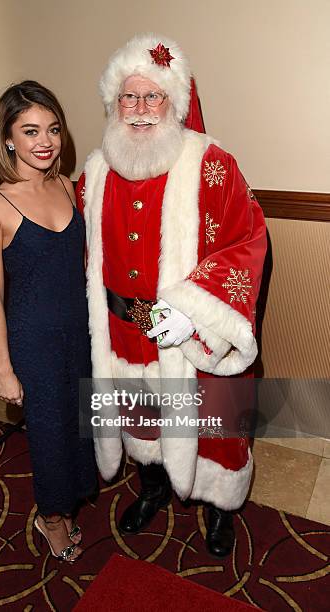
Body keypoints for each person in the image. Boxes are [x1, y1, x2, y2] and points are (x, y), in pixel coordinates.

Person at [77, 34, 267, 557]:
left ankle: (219, 509)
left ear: (175, 103)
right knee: (145, 423)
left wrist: (193, 313)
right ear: (114, 104)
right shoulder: (93, 174)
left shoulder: (213, 165)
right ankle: (154, 488)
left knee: (216, 431)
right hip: (125, 337)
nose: (139, 111)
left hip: (193, 339)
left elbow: (248, 238)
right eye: (128, 98)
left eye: (152, 97)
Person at [0, 80, 96, 563]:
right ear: (7, 138)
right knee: (49, 433)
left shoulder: (67, 185)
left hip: (79, 333)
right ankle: (52, 518)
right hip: (34, 341)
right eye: (29, 131)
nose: (44, 142)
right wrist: (3, 367)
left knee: (79, 424)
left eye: (53, 129)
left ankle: (70, 500)